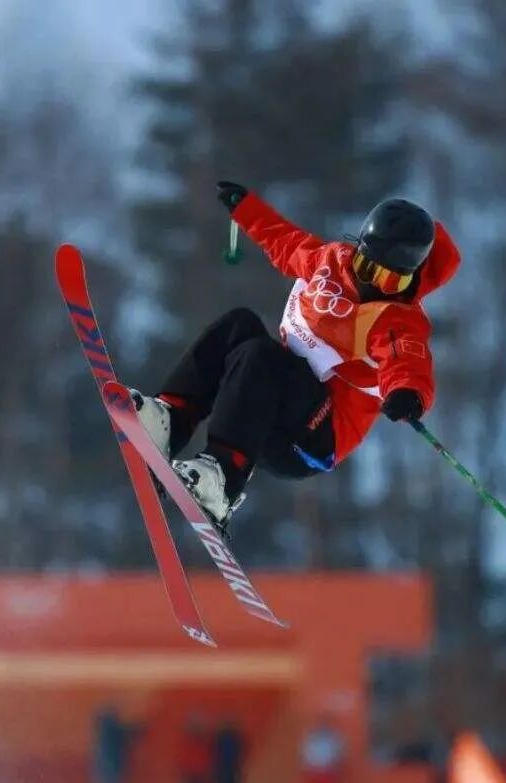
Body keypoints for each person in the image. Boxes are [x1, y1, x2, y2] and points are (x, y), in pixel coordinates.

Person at [129, 181, 461, 528]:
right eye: (368, 268)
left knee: (262, 356)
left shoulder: (396, 319)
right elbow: (284, 241)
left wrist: (406, 394)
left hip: (313, 439)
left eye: (392, 282)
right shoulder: (330, 261)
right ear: (357, 250)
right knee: (239, 324)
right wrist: (246, 210)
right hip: (275, 400)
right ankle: (171, 419)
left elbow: (407, 362)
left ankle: (223, 478)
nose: (375, 284)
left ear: (411, 280)